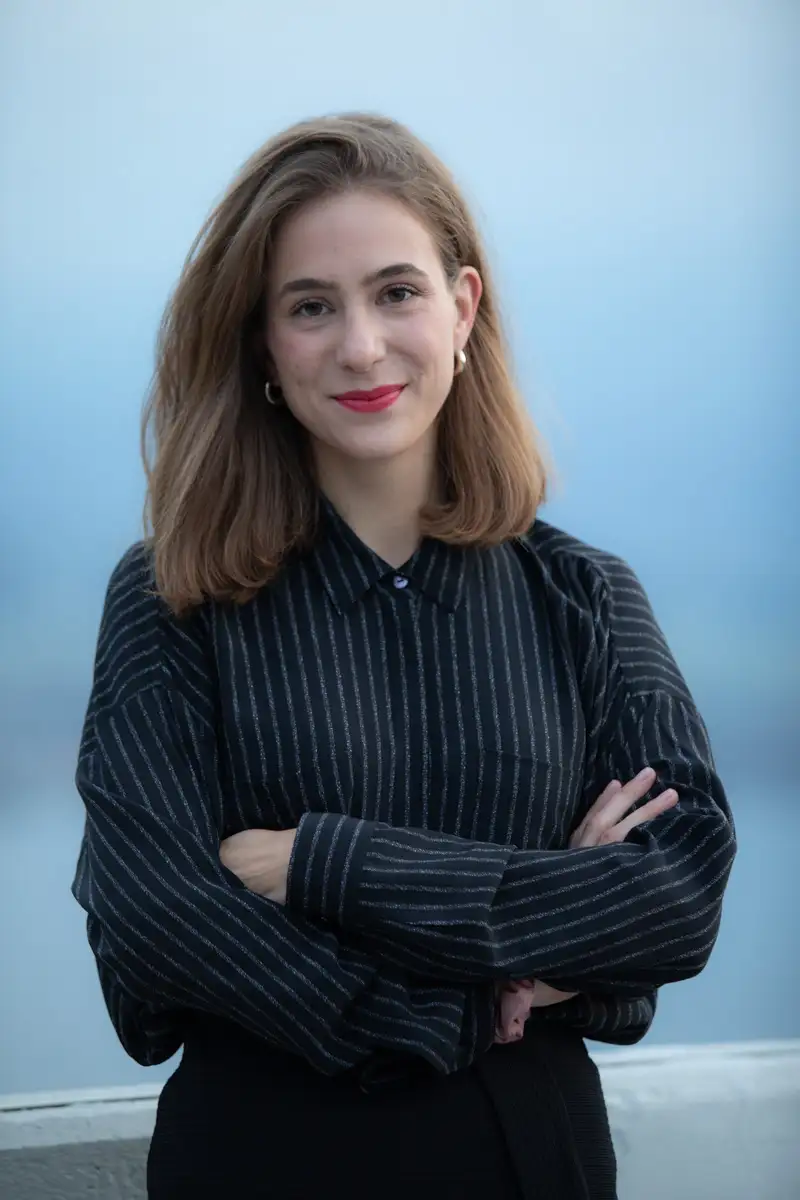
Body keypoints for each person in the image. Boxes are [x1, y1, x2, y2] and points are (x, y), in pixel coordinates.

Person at [71, 113, 737, 1200]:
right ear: (262, 347)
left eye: (396, 292)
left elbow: (674, 894)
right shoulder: (171, 601)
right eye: (310, 307)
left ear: (461, 306)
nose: (362, 347)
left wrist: (315, 865)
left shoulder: (583, 597)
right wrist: (498, 980)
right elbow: (155, 928)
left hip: (532, 1161)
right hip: (261, 1164)